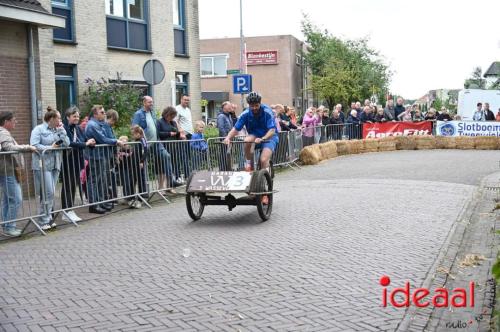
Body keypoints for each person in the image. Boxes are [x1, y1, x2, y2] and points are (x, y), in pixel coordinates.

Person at [223, 91, 278, 202]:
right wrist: (228, 138)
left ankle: (265, 190)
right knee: (247, 140)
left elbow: (272, 130)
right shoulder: (245, 114)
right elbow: (235, 129)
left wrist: (263, 139)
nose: (254, 108)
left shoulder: (267, 112)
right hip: (255, 135)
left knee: (263, 160)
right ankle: (248, 164)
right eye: (252, 106)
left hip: (269, 136)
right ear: (249, 105)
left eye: (256, 105)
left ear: (260, 103)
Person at [30, 107, 70, 230]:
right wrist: (49, 147)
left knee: (50, 194)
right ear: (52, 118)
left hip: (55, 164)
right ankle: (43, 221)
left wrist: (62, 130)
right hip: (43, 165)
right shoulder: (38, 129)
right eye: (58, 118)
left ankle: (47, 218)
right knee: (48, 193)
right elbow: (34, 145)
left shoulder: (57, 129)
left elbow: (67, 143)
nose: (60, 120)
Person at [0, 111, 37, 236]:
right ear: (6, 122)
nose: (16, 122)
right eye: (13, 120)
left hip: (7, 170)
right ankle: (9, 227)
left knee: (7, 199)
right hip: (8, 170)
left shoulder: (3, 132)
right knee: (16, 198)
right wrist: (28, 147)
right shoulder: (3, 132)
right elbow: (9, 147)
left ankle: (6, 226)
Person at [132, 96, 180, 189]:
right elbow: (134, 128)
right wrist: (139, 137)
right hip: (144, 143)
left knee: (166, 156)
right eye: (149, 102)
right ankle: (140, 191)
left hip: (156, 142)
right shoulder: (138, 114)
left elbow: (155, 127)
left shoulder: (153, 113)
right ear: (144, 102)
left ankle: (171, 181)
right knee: (142, 166)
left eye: (152, 102)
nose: (152, 104)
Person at [85, 105, 124, 214]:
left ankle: (100, 201)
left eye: (104, 112)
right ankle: (93, 204)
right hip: (96, 156)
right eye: (102, 112)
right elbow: (102, 139)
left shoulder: (98, 124)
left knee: (100, 180)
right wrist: (116, 141)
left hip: (101, 155)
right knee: (94, 180)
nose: (104, 114)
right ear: (95, 114)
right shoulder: (93, 125)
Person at [61, 107, 96, 223]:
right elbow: (70, 143)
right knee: (67, 186)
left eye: (77, 116)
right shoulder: (64, 129)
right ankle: (66, 210)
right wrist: (85, 143)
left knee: (73, 185)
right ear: (68, 117)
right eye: (74, 116)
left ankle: (70, 210)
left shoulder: (78, 128)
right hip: (68, 160)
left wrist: (91, 142)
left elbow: (84, 139)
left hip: (77, 160)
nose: (76, 118)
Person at [157, 106, 188, 182]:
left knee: (173, 165)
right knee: (164, 167)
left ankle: (171, 184)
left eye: (173, 116)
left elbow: (177, 132)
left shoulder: (173, 122)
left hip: (174, 147)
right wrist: (169, 133)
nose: (172, 118)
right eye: (171, 116)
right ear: (167, 114)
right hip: (164, 147)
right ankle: (164, 186)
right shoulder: (159, 122)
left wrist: (180, 135)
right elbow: (158, 133)